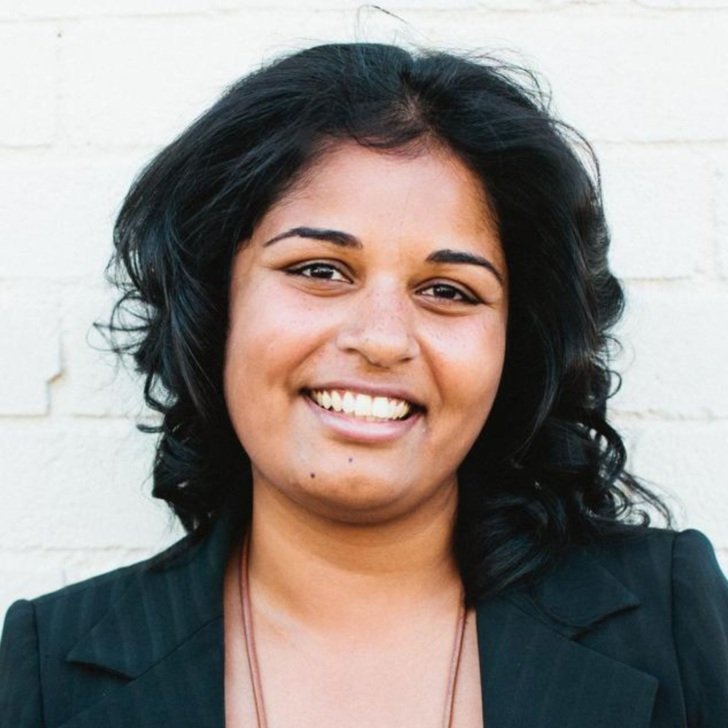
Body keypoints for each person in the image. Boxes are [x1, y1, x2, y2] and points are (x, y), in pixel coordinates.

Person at [1, 41, 727, 728]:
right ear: (216, 309)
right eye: (319, 271)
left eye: (448, 289)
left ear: (516, 345)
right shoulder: (47, 668)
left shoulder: (670, 615)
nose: (381, 338)